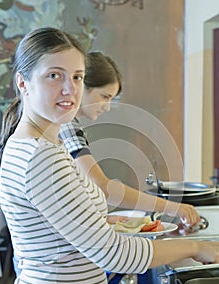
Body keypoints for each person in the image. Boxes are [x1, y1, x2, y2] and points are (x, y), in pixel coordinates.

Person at [0, 27, 219, 284]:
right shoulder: (39, 155)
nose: (68, 89)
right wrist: (195, 248)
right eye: (54, 76)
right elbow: (112, 253)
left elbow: (62, 229)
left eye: (76, 77)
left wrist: (104, 222)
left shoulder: (46, 142)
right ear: (23, 82)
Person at [59, 51, 200, 227]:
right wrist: (172, 207)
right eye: (105, 96)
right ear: (82, 85)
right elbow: (102, 185)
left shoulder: (71, 125)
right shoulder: (67, 125)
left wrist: (104, 219)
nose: (107, 107)